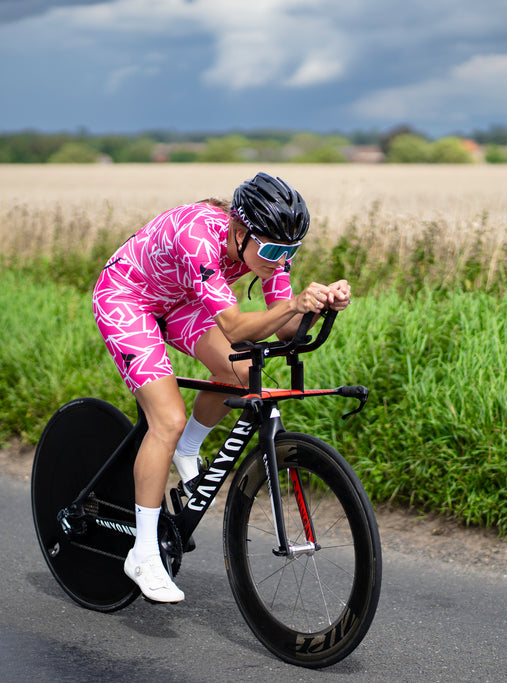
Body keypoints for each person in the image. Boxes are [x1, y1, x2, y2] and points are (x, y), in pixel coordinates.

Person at [92, 173, 351, 603]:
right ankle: (142, 553)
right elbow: (233, 324)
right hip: (128, 297)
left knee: (246, 371)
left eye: (289, 252)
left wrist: (319, 307)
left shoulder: (268, 251)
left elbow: (282, 327)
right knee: (167, 418)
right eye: (270, 250)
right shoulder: (199, 235)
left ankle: (187, 448)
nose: (278, 260)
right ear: (239, 230)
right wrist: (292, 303)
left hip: (180, 301)